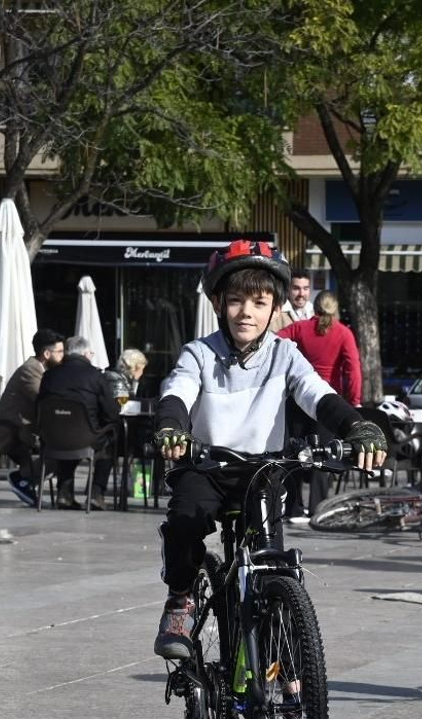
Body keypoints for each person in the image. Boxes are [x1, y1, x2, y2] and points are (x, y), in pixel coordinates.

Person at [152, 240, 386, 658]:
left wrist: (358, 426)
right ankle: (180, 601)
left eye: (259, 302)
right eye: (237, 301)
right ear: (219, 303)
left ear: (276, 307)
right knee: (186, 520)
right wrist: (171, 425)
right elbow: (178, 391)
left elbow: (317, 394)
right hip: (206, 467)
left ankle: (283, 654)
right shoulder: (200, 353)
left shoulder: (286, 354)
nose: (247, 312)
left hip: (263, 472)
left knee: (271, 561)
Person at [281, 291, 363, 520]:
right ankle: (318, 509)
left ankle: (293, 508)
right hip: (328, 403)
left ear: (313, 306)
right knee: (323, 456)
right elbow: (353, 369)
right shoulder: (344, 333)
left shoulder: (300, 328)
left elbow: (275, 339)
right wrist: (354, 400)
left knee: (295, 452)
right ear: (335, 309)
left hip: (298, 399)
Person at [37, 335, 119, 510]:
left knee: (68, 433)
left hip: (52, 438)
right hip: (86, 437)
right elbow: (112, 412)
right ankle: (96, 494)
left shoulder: (49, 375)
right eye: (91, 352)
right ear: (85, 353)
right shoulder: (96, 376)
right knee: (110, 438)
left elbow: (39, 407)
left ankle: (64, 494)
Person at [0, 328, 66, 506]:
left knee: (66, 444)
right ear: (47, 354)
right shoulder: (30, 370)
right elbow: (46, 400)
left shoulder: (40, 369)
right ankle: (23, 478)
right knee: (64, 446)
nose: (64, 356)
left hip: (24, 427)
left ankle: (27, 478)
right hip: (11, 431)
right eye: (60, 352)